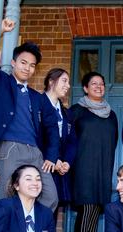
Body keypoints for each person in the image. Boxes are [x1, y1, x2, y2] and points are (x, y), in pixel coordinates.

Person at [0, 19, 59, 209]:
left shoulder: (38, 97)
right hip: (8, 149)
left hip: (35, 152)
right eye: (23, 62)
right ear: (13, 63)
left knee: (50, 198)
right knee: (10, 199)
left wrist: (51, 156)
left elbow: (52, 127)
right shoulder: (1, 82)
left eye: (32, 65)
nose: (27, 68)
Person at [71, 71, 119, 232]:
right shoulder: (77, 111)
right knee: (88, 209)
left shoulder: (111, 114)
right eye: (94, 84)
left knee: (96, 210)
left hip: (103, 168)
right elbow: (68, 139)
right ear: (85, 88)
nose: (98, 87)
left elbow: (114, 141)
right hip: (83, 167)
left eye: (101, 84)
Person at [43, 68, 77, 219]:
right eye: (64, 81)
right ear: (51, 81)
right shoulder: (38, 103)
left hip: (59, 170)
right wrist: (52, 157)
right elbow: (36, 137)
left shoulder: (67, 113)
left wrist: (66, 162)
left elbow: (72, 141)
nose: (68, 86)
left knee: (53, 212)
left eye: (68, 82)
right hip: (42, 165)